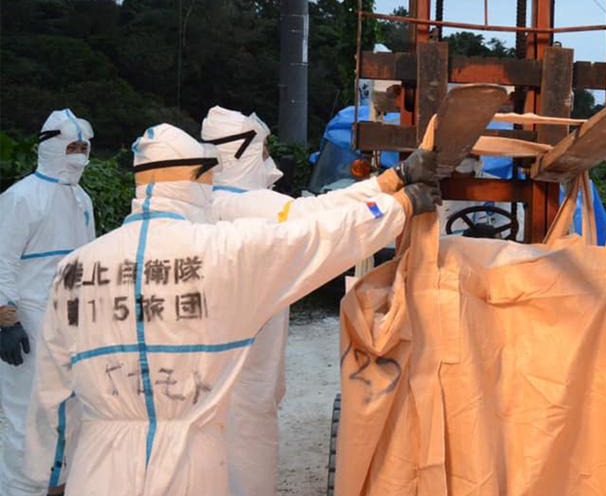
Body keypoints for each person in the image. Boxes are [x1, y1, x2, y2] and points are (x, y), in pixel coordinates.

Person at [24, 124, 440, 495]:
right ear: (197, 180)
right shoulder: (224, 250)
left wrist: (52, 476)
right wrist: (398, 206)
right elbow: (317, 237)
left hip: (98, 466)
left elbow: (53, 393)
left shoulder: (73, 270)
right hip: (192, 462)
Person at [200, 106, 437, 496]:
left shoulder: (212, 205)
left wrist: (389, 182)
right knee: (246, 469)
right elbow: (322, 221)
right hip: (242, 391)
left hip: (223, 381)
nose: (267, 161)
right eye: (261, 151)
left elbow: (318, 211)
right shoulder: (245, 206)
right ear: (240, 152)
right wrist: (397, 201)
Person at [0, 109, 95, 496]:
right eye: (71, 146)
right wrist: (6, 320)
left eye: (84, 147)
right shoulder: (20, 197)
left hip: (74, 323)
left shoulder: (82, 199)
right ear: (50, 146)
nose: (79, 154)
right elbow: (2, 260)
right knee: (26, 415)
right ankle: (20, 489)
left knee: (72, 411)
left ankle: (59, 486)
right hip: (30, 324)